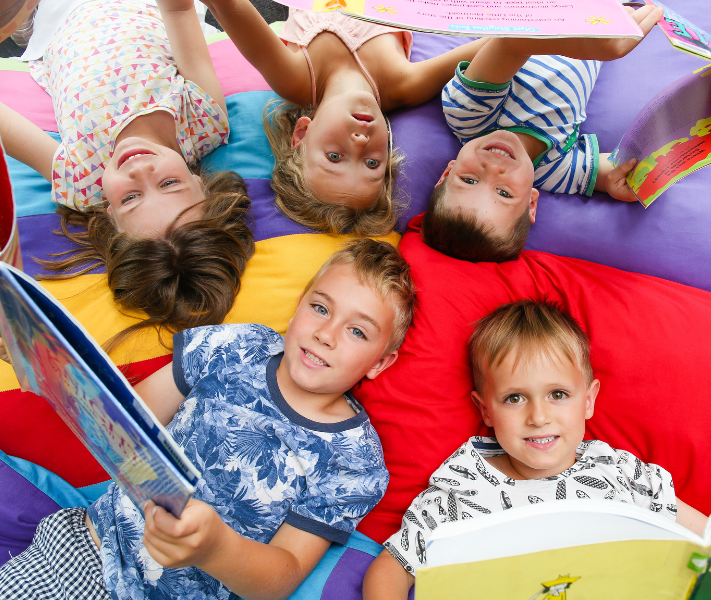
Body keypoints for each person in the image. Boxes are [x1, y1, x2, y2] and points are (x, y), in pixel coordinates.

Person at [0, 238, 416, 600]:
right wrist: (52, 370)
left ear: (380, 363)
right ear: (296, 309)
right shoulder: (233, 345)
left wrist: (216, 548)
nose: (327, 333)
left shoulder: (355, 463)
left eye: (357, 331)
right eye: (320, 308)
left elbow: (283, 574)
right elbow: (126, 420)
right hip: (87, 552)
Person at [362, 299, 706, 599]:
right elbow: (392, 568)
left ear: (588, 401)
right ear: (485, 411)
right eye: (515, 398)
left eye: (558, 394)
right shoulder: (463, 487)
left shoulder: (617, 471)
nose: (539, 417)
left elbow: (709, 535)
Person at [0, 0, 254, 346]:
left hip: (55, 16)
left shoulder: (84, 180)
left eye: (131, 198)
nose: (140, 170)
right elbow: (178, 12)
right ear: (200, 183)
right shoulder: (204, 122)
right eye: (168, 183)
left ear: (109, 213)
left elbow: (6, 126)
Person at [197, 1, 491, 236]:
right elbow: (503, 43)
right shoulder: (405, 85)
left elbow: (228, 6)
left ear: (301, 134)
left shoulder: (293, 79)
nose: (361, 142)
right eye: (372, 163)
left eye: (335, 156)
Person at [422, 5, 665, 262]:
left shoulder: (469, 114)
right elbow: (611, 170)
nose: (492, 168)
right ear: (531, 204)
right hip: (604, 17)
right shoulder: (554, 174)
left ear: (447, 173)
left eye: (469, 180)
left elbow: (511, 45)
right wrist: (618, 181)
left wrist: (585, 40)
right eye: (504, 193)